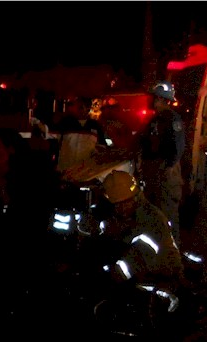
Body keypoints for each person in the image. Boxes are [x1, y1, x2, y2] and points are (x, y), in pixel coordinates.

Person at [99, 170, 188, 299]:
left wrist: (112, 276)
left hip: (162, 277)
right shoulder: (121, 216)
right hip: (141, 274)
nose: (121, 208)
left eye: (125, 202)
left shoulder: (151, 219)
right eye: (117, 204)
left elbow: (140, 256)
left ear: (135, 197)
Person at [138, 81, 185, 246]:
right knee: (155, 211)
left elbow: (178, 146)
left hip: (165, 170)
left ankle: (172, 250)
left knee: (167, 212)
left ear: (161, 99)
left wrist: (168, 166)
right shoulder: (155, 119)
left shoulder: (172, 118)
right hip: (154, 171)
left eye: (154, 97)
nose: (151, 100)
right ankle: (159, 248)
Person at [56, 97, 105, 172]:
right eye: (76, 107)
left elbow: (102, 147)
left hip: (85, 171)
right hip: (65, 169)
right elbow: (51, 136)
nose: (77, 110)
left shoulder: (95, 126)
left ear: (88, 109)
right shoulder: (66, 123)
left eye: (81, 107)